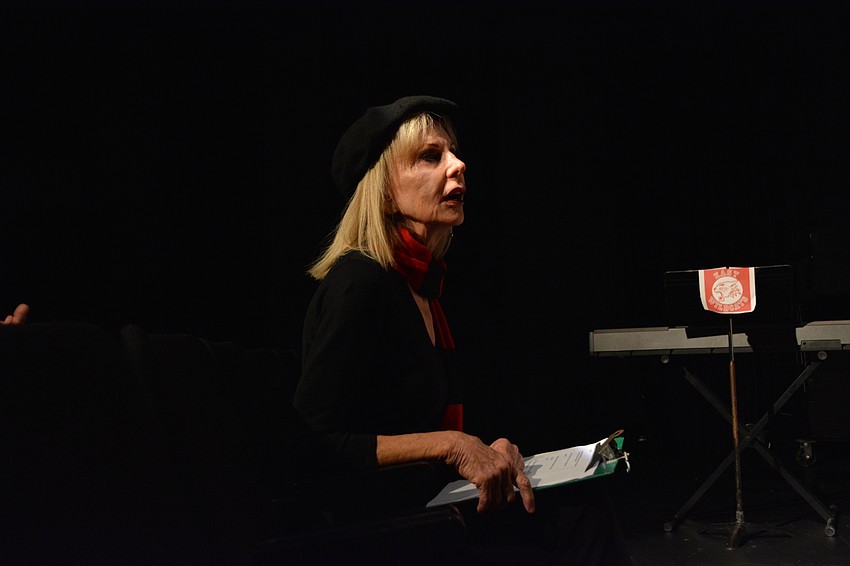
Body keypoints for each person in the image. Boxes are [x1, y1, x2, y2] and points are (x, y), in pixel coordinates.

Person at [291, 95, 632, 565]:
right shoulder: (360, 282)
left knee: (581, 502)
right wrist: (451, 445)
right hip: (385, 524)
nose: (458, 164)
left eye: (453, 152)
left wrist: (493, 452)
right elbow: (314, 442)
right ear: (385, 191)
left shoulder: (422, 286)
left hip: (433, 503)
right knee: (574, 520)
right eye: (431, 156)